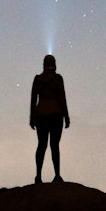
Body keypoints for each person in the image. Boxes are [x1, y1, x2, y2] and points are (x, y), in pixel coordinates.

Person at [30, 53, 70, 183]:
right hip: (56, 115)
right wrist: (66, 116)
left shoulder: (37, 79)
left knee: (41, 145)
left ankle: (38, 176)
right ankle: (57, 175)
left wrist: (32, 117)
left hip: (40, 115)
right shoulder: (58, 79)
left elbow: (33, 99)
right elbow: (62, 98)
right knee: (54, 145)